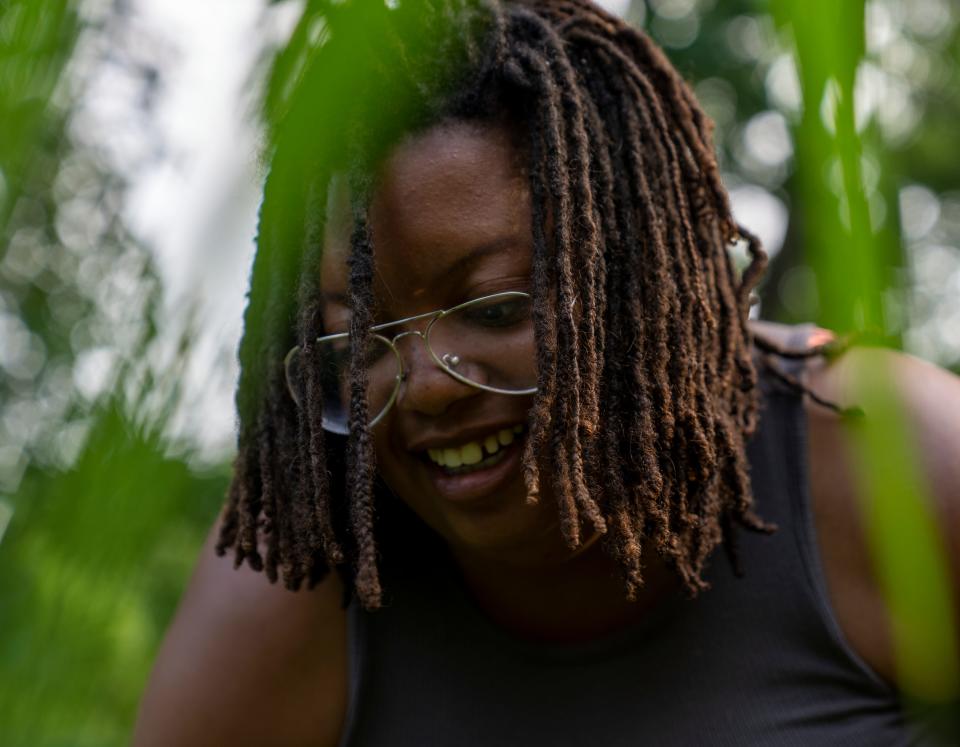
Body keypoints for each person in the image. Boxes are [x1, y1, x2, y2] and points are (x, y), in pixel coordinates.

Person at [133, 1, 960, 744]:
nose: (424, 384)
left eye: (493, 308)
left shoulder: (891, 462)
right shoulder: (308, 557)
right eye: (357, 347)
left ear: (637, 277)